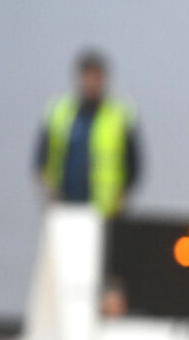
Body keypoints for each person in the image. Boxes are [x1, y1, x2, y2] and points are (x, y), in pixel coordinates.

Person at [33, 49, 141, 217]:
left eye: (96, 77)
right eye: (88, 77)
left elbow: (134, 165)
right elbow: (41, 161)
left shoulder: (119, 116)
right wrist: (51, 194)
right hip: (65, 207)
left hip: (106, 211)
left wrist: (121, 198)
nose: (92, 83)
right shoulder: (60, 113)